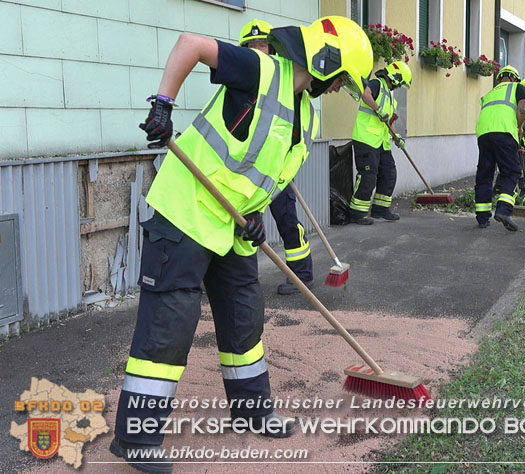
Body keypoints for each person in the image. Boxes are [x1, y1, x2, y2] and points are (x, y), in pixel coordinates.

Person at [110, 16, 373, 473]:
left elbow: (264, 174)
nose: (340, 90)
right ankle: (136, 437)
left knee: (244, 319)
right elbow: (190, 42)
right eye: (344, 80)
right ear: (328, 63)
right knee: (171, 324)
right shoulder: (260, 70)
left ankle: (253, 409)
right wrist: (162, 105)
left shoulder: (304, 113)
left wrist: (253, 216)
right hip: (187, 212)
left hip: (231, 229)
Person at [238, 20, 313, 295]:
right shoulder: (246, 83)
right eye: (252, 46)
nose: (258, 50)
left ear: (272, 49)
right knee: (242, 225)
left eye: (263, 45)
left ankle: (301, 275)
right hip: (247, 170)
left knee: (286, 221)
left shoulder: (287, 85)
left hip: (277, 169)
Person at [349, 60, 413, 224]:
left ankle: (380, 209)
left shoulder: (390, 96)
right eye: (401, 83)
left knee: (389, 174)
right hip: (366, 139)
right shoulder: (377, 84)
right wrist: (378, 110)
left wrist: (397, 136)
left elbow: (389, 120)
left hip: (381, 142)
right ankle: (357, 213)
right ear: (396, 77)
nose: (400, 87)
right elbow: (365, 94)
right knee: (368, 176)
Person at [474, 65, 525, 231]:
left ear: (500, 79)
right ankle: (503, 210)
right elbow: (523, 109)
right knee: (511, 172)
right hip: (504, 132)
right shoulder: (517, 87)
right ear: (514, 78)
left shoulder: (489, 94)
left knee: (485, 174)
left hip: (483, 134)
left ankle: (482, 218)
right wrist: (519, 127)